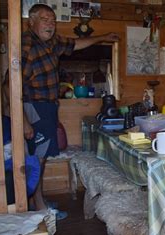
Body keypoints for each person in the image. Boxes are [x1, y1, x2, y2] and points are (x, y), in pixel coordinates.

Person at [21, 4, 119, 219]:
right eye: (45, 19)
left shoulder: (52, 43)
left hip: (46, 107)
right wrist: (23, 121)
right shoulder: (27, 45)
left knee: (41, 157)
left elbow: (76, 43)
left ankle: (37, 201)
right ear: (31, 22)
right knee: (37, 159)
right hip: (33, 108)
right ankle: (38, 207)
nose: (50, 23)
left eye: (53, 20)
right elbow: (11, 86)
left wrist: (103, 37)